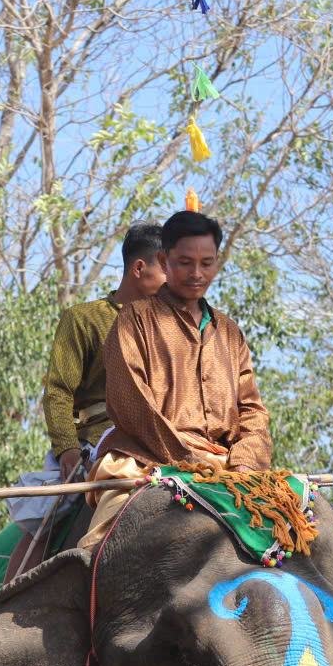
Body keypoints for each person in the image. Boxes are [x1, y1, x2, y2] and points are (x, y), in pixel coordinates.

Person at [78, 210, 270, 548]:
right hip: (144, 460)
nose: (197, 274)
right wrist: (191, 462)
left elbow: (252, 410)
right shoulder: (133, 320)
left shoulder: (229, 333)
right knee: (103, 544)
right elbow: (132, 404)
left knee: (301, 527)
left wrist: (244, 463)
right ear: (165, 262)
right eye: (185, 263)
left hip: (230, 468)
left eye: (206, 263)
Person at [40, 222, 168, 481]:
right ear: (140, 268)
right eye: (167, 268)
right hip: (104, 440)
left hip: (169, 440)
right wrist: (67, 448)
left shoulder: (174, 329)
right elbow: (58, 391)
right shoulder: (83, 319)